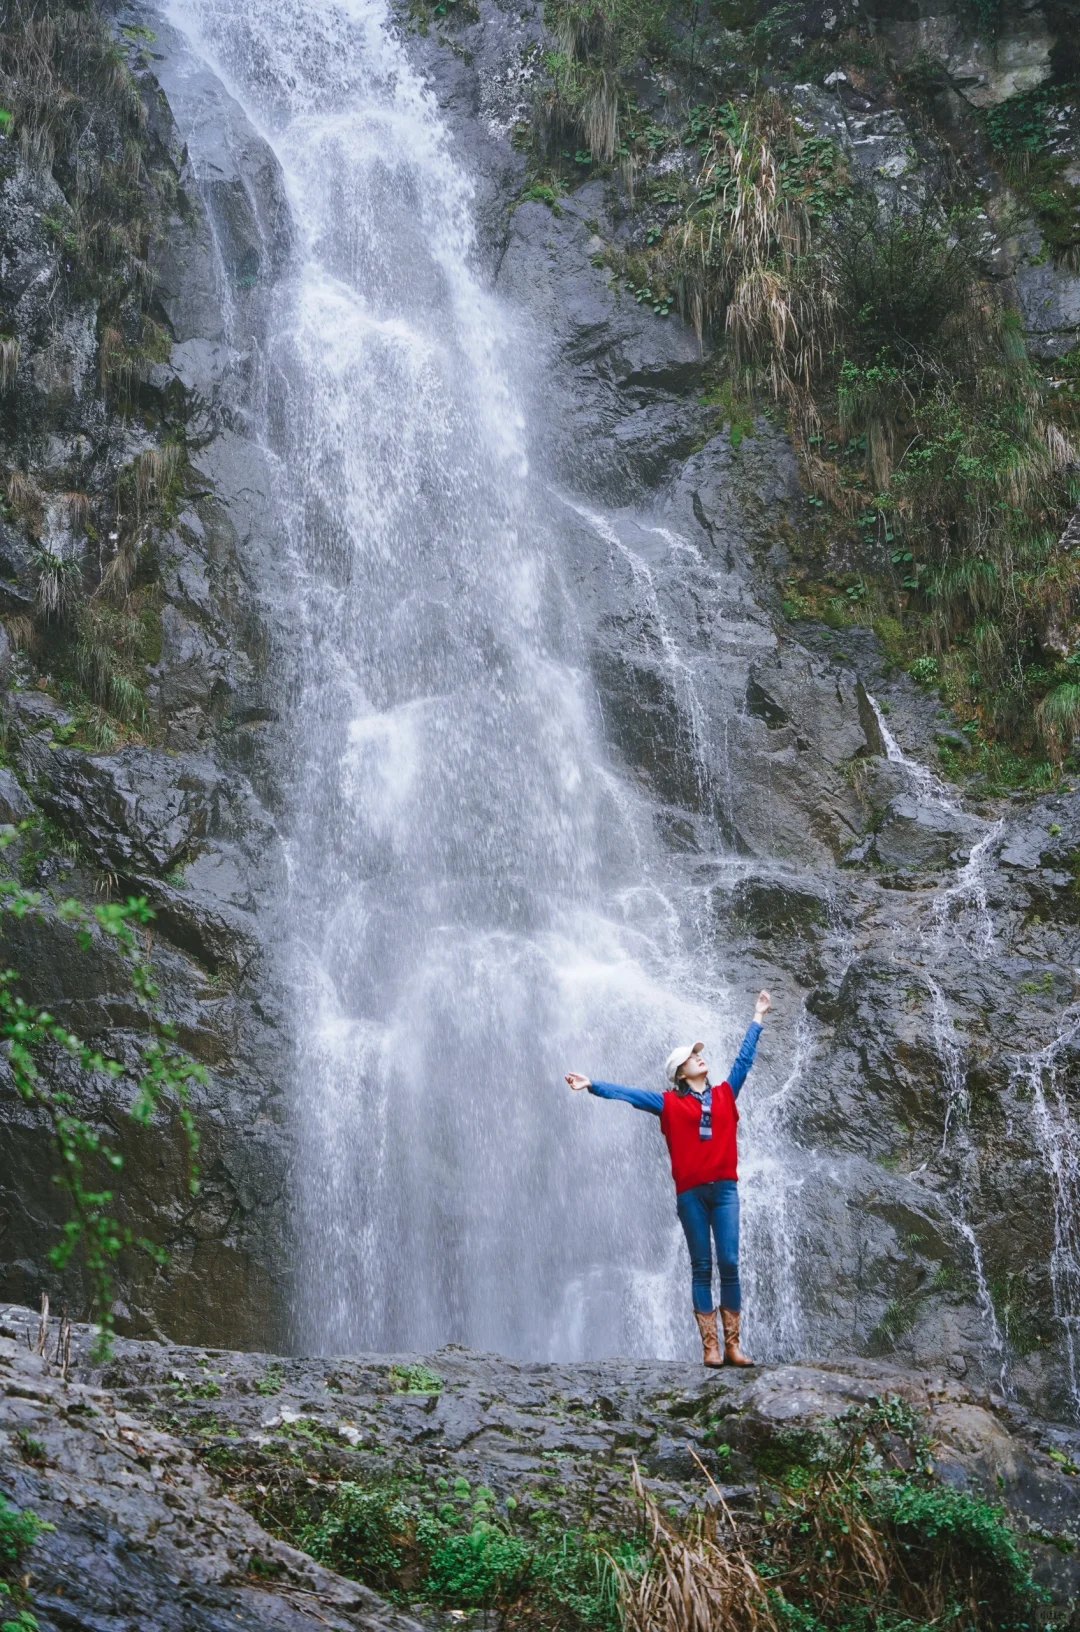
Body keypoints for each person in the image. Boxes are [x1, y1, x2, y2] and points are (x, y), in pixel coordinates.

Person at [565, 990, 772, 1369]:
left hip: (725, 1191)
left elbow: (745, 1059)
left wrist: (758, 1016)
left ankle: (733, 1346)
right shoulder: (668, 1104)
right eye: (692, 1057)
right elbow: (629, 1094)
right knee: (701, 1266)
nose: (699, 1057)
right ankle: (710, 1348)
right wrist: (592, 1085)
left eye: (699, 1054)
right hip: (691, 1195)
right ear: (680, 1073)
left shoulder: (727, 1094)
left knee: (729, 1262)